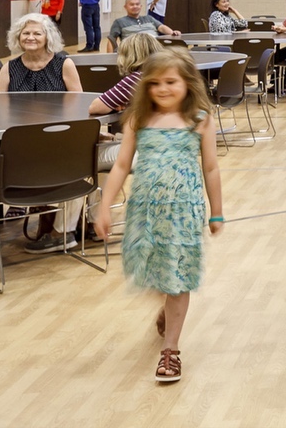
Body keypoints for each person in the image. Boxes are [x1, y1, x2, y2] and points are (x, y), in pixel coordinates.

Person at [93, 49, 224, 384]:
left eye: (171, 82)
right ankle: (167, 307)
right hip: (146, 211)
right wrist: (104, 206)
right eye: (155, 83)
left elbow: (210, 168)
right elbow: (122, 165)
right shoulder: (138, 119)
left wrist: (217, 212)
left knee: (177, 277)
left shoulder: (200, 120)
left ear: (187, 83)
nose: (163, 89)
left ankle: (171, 350)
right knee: (150, 272)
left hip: (183, 212)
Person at [0, 13, 86, 254]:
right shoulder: (9, 68)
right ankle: (34, 207)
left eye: (37, 33)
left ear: (48, 37)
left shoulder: (64, 64)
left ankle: (62, 231)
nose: (31, 37)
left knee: (78, 164)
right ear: (18, 37)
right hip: (22, 140)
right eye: (26, 33)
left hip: (60, 137)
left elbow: (78, 104)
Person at [109, 0, 182, 47]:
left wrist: (172, 32)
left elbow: (161, 27)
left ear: (141, 6)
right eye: (131, 4)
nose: (135, 6)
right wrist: (110, 57)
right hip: (133, 51)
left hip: (155, 48)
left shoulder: (149, 18)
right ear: (125, 7)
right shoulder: (119, 22)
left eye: (137, 4)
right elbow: (111, 40)